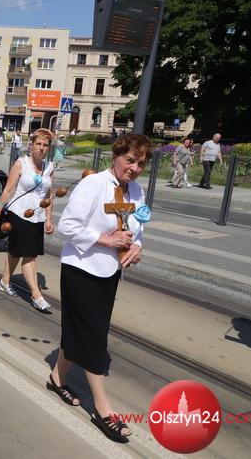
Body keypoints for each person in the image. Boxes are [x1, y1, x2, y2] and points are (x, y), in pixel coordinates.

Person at [50, 133, 150, 443]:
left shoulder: (136, 190)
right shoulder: (93, 184)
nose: (134, 168)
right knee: (94, 337)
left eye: (140, 164)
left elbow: (137, 228)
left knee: (80, 330)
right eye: (129, 161)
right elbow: (67, 226)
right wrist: (105, 240)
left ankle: (57, 378)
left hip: (110, 272)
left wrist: (138, 246)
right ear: (115, 156)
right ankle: (103, 410)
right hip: (81, 269)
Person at [0, 128, 55, 312]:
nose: (41, 148)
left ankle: (5, 281)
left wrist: (48, 219)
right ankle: (36, 294)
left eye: (45, 145)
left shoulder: (49, 168)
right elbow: (8, 189)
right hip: (19, 213)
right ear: (31, 145)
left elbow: (48, 196)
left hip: (38, 216)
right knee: (29, 254)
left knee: (16, 251)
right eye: (38, 144)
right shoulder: (21, 164)